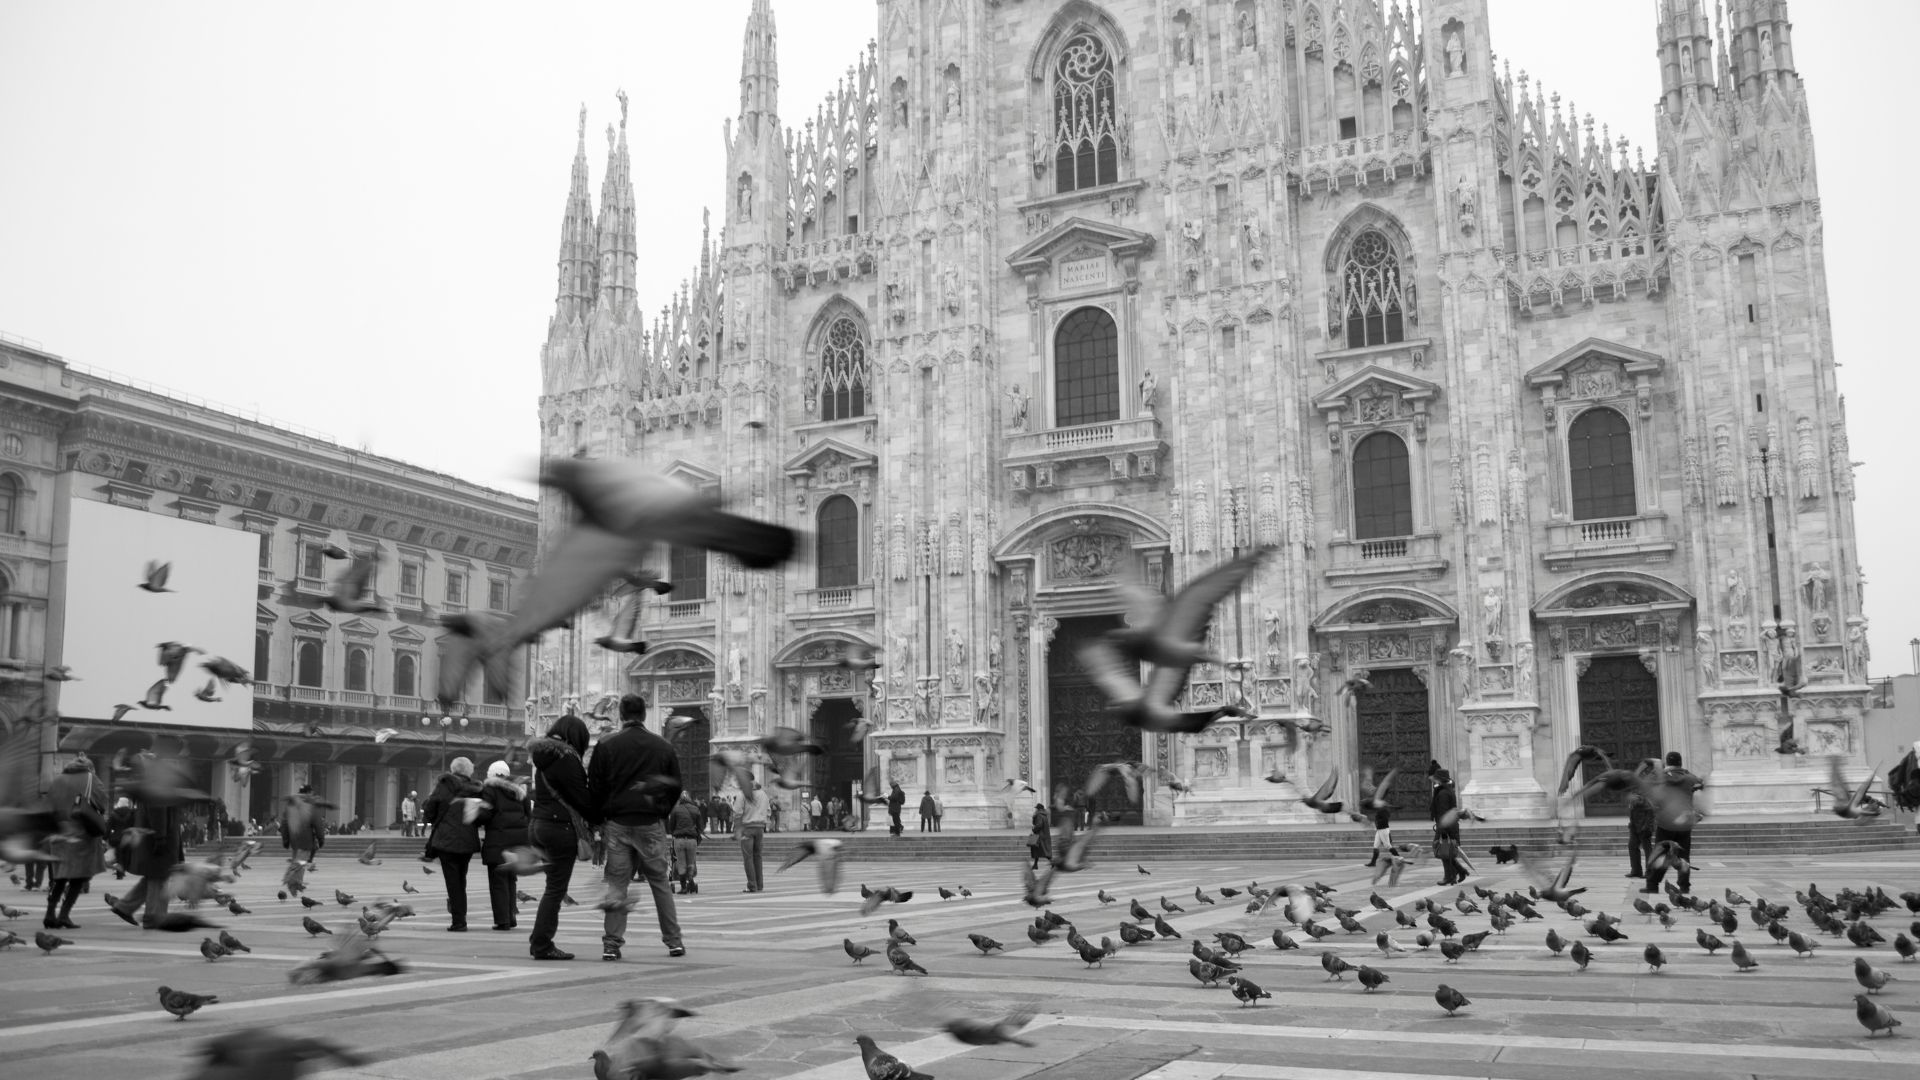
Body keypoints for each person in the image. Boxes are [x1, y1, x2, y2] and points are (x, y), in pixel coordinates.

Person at [587, 694, 684, 961]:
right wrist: (661, 811)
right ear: (643, 714)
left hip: (617, 823)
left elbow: (594, 785)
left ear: (621, 714)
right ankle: (673, 941)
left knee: (617, 885)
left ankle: (611, 944)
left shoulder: (607, 744)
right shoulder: (662, 745)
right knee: (660, 882)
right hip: (650, 823)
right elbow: (675, 784)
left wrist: (601, 816)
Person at [526, 713, 594, 960]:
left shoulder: (544, 756)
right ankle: (542, 944)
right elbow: (580, 797)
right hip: (559, 827)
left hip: (539, 825)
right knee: (556, 890)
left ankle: (539, 939)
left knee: (552, 888)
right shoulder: (567, 758)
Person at [108, 753, 184, 929]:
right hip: (158, 839)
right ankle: (153, 917)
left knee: (153, 876)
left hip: (151, 838)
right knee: (159, 877)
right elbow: (158, 811)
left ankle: (125, 907)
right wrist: (161, 838)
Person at [44, 754, 106, 929]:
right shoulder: (91, 779)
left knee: (60, 876)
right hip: (82, 833)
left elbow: (48, 805)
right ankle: (64, 915)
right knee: (79, 877)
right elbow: (102, 805)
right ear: (90, 768)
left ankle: (49, 913)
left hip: (58, 832)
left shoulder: (58, 780)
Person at [422, 757, 484, 932]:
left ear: (453, 769)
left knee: (452, 882)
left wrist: (437, 823)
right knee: (461, 880)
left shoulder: (443, 786)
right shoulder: (474, 789)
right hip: (466, 841)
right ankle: (460, 918)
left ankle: (459, 921)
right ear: (468, 771)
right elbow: (480, 815)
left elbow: (429, 810)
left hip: (446, 841)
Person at [476, 760, 530, 933]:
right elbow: (528, 816)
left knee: (498, 882)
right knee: (511, 880)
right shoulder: (520, 792)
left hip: (498, 842)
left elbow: (484, 815)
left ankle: (502, 921)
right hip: (517, 844)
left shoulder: (489, 791)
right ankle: (511, 917)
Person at [1642, 751, 1705, 895]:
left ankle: (1652, 885)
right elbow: (1701, 785)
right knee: (1683, 855)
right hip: (1684, 823)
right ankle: (1684, 886)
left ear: (1667, 763)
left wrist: (1657, 768)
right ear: (1680, 762)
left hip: (1666, 822)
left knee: (1660, 854)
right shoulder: (1690, 778)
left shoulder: (1661, 777)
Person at [1428, 762, 1468, 886]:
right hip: (1449, 826)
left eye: (1435, 779)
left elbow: (1443, 812)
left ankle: (1450, 876)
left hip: (1446, 826)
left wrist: (1443, 829)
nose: (1434, 781)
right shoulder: (1446, 791)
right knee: (1447, 852)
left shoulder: (1443, 793)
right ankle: (1457, 873)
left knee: (1443, 851)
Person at [1625, 760, 1658, 879]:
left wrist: (1637, 799)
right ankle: (1636, 870)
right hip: (1635, 819)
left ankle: (1649, 872)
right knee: (1632, 845)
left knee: (1647, 847)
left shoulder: (1652, 779)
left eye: (1643, 766)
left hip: (1645, 819)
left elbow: (1650, 802)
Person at [737, 775, 770, 892]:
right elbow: (769, 811)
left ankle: (752, 885)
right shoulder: (763, 794)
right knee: (758, 856)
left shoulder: (743, 793)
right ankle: (759, 885)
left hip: (747, 828)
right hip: (760, 828)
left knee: (748, 857)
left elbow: (737, 812)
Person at [668, 790, 705, 894]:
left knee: (681, 863)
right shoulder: (695, 809)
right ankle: (691, 883)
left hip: (679, 840)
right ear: (689, 798)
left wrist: (675, 832)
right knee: (691, 863)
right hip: (692, 840)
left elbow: (671, 827)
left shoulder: (675, 810)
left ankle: (684, 887)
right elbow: (701, 827)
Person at [280, 785, 326, 866]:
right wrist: (321, 839)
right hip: (306, 840)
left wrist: (286, 840)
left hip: (294, 839)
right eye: (311, 793)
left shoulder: (291, 802)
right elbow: (318, 823)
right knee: (298, 867)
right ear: (309, 792)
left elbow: (284, 823)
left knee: (296, 864)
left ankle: (294, 874)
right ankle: (294, 876)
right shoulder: (310, 802)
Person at [106, 796, 135, 880]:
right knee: (126, 855)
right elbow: (134, 825)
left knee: (119, 856)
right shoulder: (131, 813)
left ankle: (119, 873)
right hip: (128, 837)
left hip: (116, 838)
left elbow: (109, 826)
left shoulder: (114, 813)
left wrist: (105, 837)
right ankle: (124, 870)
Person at [1366, 802, 1393, 868]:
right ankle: (1373, 862)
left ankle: (1398, 858)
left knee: (1388, 846)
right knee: (1376, 846)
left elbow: (1384, 821)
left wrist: (1379, 824)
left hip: (1383, 830)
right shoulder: (1380, 811)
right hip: (1379, 830)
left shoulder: (1384, 811)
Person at [1027, 802, 1052, 870]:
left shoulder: (1039, 815)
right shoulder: (1044, 815)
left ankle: (1052, 863)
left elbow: (1039, 825)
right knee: (1037, 850)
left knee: (1043, 851)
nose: (1036, 810)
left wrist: (1034, 829)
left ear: (1039, 809)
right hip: (1044, 835)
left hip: (1039, 836)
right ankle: (1035, 865)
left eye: (1036, 808)